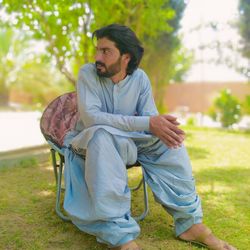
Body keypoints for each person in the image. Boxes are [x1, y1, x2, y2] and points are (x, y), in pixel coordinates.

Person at [63, 24, 236, 250]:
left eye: (106, 51)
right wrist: (147, 123)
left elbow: (149, 117)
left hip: (128, 141)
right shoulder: (88, 73)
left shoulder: (140, 79)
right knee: (102, 135)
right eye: (97, 50)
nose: (98, 57)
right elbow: (92, 119)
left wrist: (162, 127)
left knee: (170, 143)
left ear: (126, 57)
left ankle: (189, 223)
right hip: (91, 142)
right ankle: (119, 236)